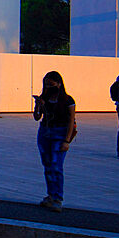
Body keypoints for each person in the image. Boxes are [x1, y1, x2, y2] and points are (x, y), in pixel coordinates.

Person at [33, 71, 76, 212]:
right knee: (47, 165)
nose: (48, 87)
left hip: (59, 132)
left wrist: (67, 140)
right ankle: (51, 194)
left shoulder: (68, 100)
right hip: (45, 131)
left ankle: (58, 197)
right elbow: (37, 117)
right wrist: (38, 105)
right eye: (46, 84)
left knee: (56, 165)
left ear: (59, 83)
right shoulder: (45, 97)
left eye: (51, 84)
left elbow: (71, 121)